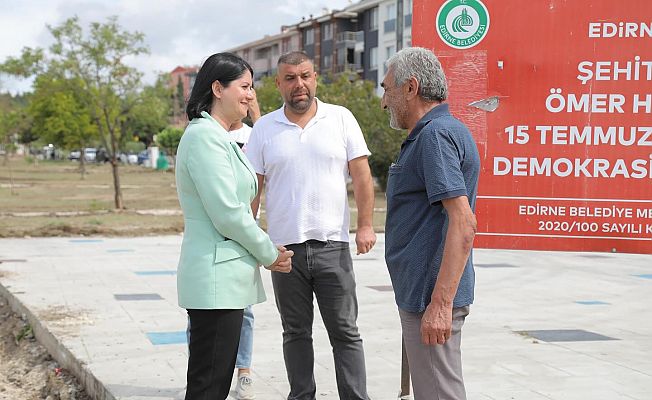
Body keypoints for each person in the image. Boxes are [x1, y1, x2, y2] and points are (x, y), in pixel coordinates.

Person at [246, 51, 376, 400]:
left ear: (315, 77)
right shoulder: (264, 129)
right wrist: (252, 238)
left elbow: (362, 177)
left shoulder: (341, 119)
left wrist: (365, 225)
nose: (299, 84)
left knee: (345, 332)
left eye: (305, 76)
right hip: (283, 251)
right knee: (296, 333)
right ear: (278, 84)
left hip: (332, 245)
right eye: (290, 78)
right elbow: (252, 189)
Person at [175, 52, 293, 400]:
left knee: (213, 383)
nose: (250, 95)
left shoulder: (221, 137)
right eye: (243, 86)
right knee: (208, 386)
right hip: (214, 280)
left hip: (225, 279)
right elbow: (228, 212)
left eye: (251, 87)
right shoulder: (203, 138)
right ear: (217, 88)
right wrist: (269, 253)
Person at [381, 47, 480, 400]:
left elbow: (463, 222)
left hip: (430, 299)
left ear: (411, 88)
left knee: (440, 393)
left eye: (387, 89)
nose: (383, 101)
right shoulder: (436, 132)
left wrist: (439, 305)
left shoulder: (435, 136)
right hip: (421, 295)